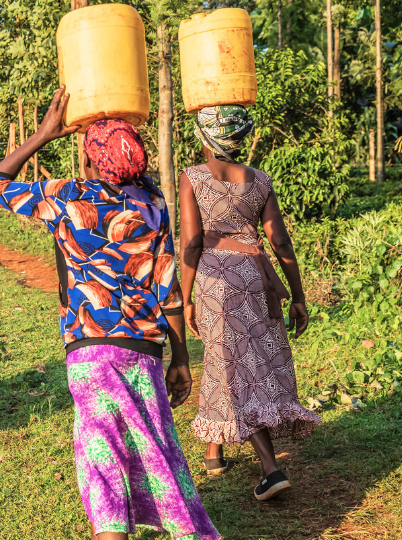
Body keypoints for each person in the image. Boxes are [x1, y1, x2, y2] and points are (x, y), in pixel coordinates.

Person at [0, 88, 220, 540]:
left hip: (88, 355)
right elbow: (166, 286)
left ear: (90, 161)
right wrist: (182, 357)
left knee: (102, 464)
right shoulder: (152, 206)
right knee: (159, 455)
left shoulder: (67, 197)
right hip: (142, 349)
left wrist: (43, 134)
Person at [179, 105, 320, 501]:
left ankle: (271, 469)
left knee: (233, 366)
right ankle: (214, 450)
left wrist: (184, 296)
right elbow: (280, 241)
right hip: (256, 278)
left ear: (204, 137)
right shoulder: (259, 180)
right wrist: (298, 296)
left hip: (215, 280)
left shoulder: (192, 177)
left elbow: (191, 243)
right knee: (231, 359)